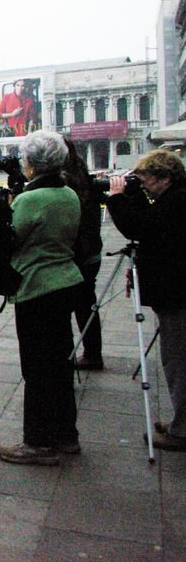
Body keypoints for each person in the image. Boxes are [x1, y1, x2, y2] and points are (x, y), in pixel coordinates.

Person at [0, 131, 83, 466]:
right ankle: (66, 434)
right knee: (59, 363)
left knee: (36, 368)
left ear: (31, 164)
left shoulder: (30, 200)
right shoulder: (68, 193)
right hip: (65, 281)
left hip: (37, 287)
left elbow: (9, 240)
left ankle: (38, 442)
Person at [105, 150, 186, 452]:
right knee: (176, 358)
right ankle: (180, 421)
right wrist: (137, 195)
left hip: (177, 295)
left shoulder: (176, 202)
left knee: (178, 361)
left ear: (164, 178)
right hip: (175, 293)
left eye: (145, 180)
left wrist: (116, 199)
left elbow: (140, 228)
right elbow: (149, 222)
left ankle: (182, 431)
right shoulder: (174, 198)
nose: (143, 185)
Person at [61, 138, 105, 370]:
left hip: (74, 253)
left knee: (64, 308)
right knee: (87, 304)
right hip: (91, 252)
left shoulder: (63, 184)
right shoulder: (87, 178)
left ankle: (66, 358)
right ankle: (93, 353)